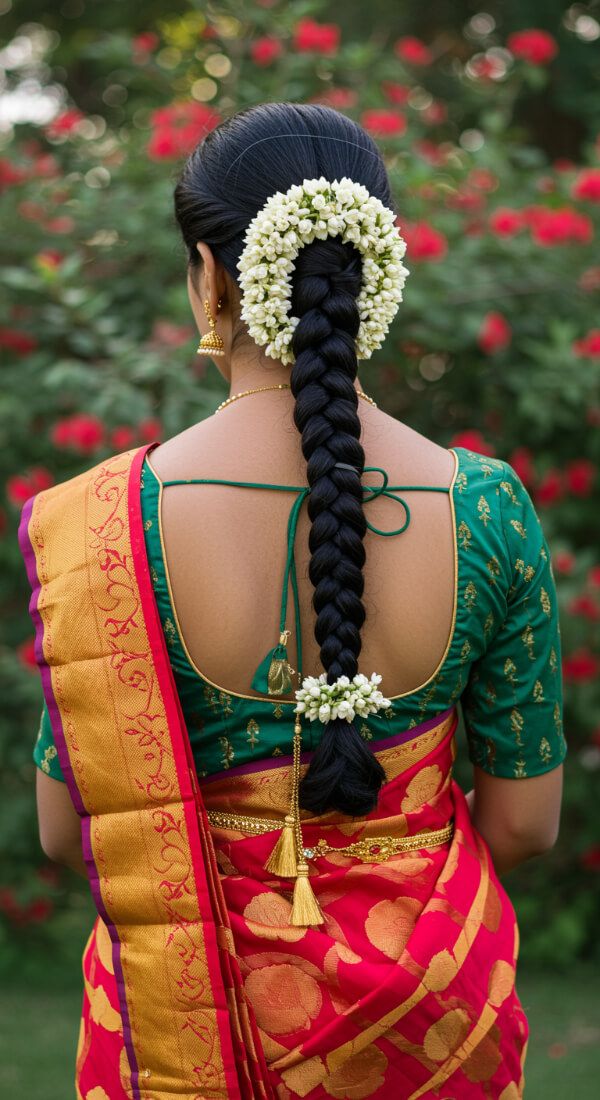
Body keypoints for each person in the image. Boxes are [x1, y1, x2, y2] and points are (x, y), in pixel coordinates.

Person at [19, 102, 566, 1100]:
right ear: (373, 268)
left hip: (186, 1027)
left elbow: (69, 829)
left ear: (211, 274)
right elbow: (526, 823)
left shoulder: (101, 525)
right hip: (430, 1027)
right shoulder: (484, 508)